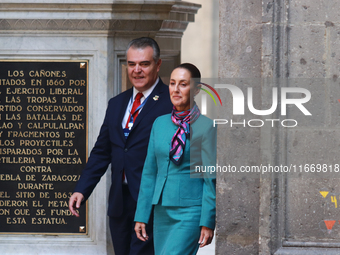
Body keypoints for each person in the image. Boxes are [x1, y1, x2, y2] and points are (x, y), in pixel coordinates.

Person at [68, 37, 173, 255]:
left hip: (152, 203)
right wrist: (81, 189)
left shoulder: (171, 103)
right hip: (119, 202)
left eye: (144, 64)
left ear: (158, 64)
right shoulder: (117, 103)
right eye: (132, 64)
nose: (137, 70)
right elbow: (101, 152)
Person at [134, 63, 216, 255]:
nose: (176, 89)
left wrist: (207, 221)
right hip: (162, 210)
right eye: (172, 83)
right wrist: (141, 215)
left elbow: (209, 179)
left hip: (190, 212)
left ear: (196, 89)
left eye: (183, 84)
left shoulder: (206, 126)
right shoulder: (159, 124)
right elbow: (149, 172)